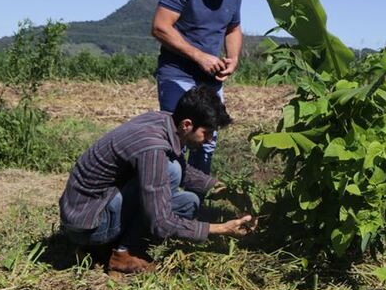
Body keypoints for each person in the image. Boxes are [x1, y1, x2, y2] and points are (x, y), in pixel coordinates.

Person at [58, 86, 255, 274]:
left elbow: (185, 172)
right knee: (171, 171)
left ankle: (103, 249)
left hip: (93, 210)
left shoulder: (164, 121)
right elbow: (161, 222)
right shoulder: (152, 146)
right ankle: (123, 253)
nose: (210, 140)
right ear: (187, 125)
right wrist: (222, 229)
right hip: (90, 223)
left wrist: (226, 191)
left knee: (189, 202)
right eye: (207, 132)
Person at [152, 0, 243, 175]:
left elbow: (233, 29)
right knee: (178, 136)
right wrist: (199, 56)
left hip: (210, 79)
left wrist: (233, 58)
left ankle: (195, 194)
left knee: (207, 139)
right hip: (177, 73)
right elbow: (160, 27)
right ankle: (168, 191)